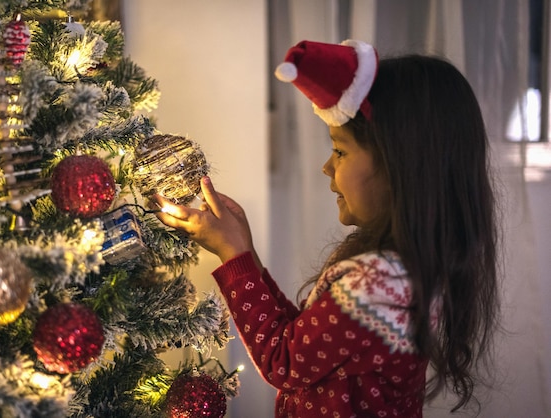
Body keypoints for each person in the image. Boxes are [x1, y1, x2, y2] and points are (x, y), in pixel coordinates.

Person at [154, 39, 500, 417]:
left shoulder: (377, 284)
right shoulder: (402, 271)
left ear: (400, 167)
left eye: (340, 151)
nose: (327, 167)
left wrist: (232, 255)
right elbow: (301, 339)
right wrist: (246, 252)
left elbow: (283, 361)